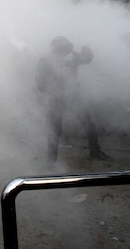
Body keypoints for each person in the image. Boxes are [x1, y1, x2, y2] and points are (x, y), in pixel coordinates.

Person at [35, 36, 112, 167]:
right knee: (54, 130)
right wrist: (56, 88)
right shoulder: (45, 61)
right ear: (58, 49)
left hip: (74, 96)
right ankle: (51, 161)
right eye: (65, 50)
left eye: (68, 50)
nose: (68, 52)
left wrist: (87, 51)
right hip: (56, 99)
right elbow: (40, 85)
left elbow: (86, 59)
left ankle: (95, 151)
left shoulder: (71, 57)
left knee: (89, 124)